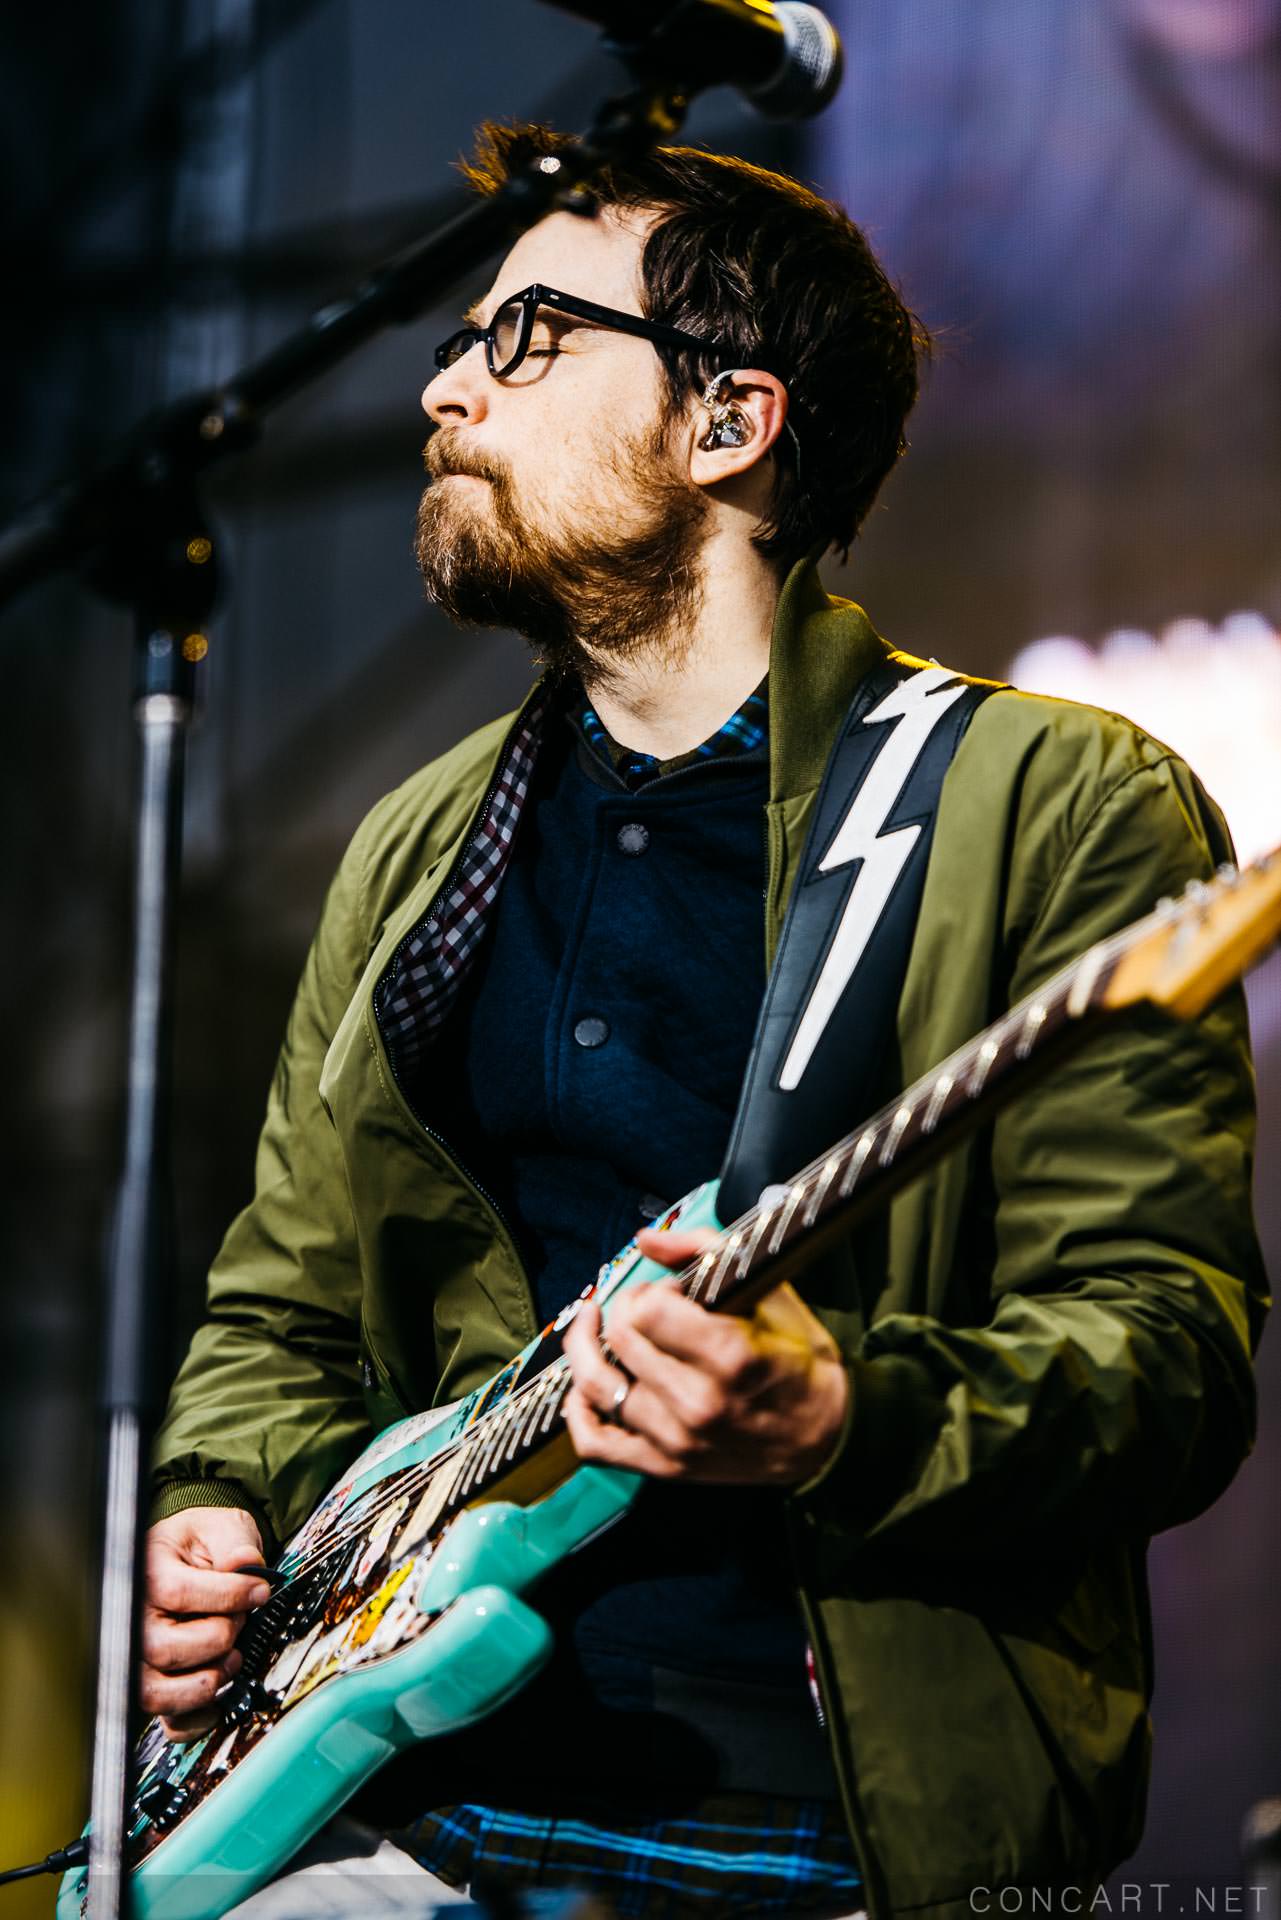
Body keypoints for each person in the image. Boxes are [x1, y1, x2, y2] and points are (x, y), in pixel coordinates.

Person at [140, 126, 1266, 1920]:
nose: (444, 390)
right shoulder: (419, 845)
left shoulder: (1048, 800)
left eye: (520, 341)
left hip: (821, 1833)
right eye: (455, 346)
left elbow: (1162, 1362)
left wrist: (834, 1414)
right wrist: (225, 1504)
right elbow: (279, 1301)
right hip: (403, 1805)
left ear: (726, 424)